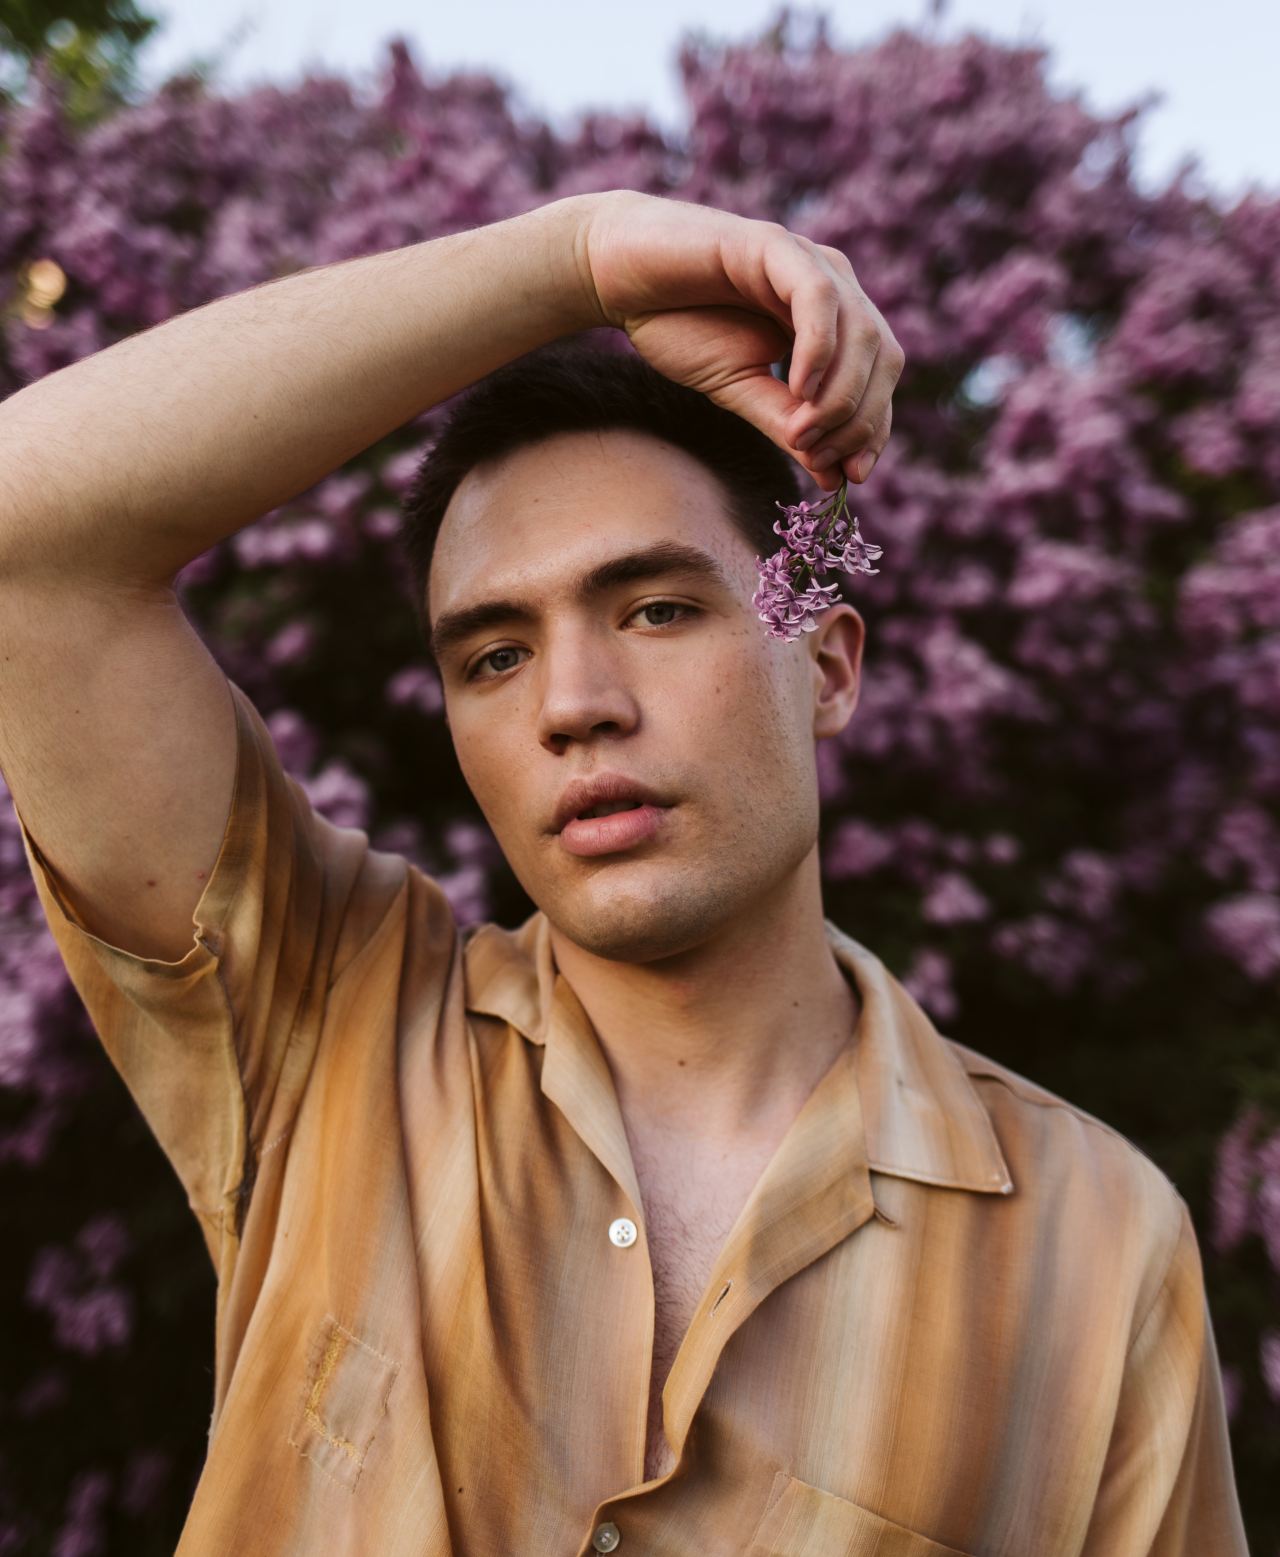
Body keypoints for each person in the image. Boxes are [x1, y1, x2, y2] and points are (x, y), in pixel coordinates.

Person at [0, 189, 1247, 1555]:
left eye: (655, 608)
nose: (573, 703)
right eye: (494, 654)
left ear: (827, 665)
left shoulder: (1100, 1240)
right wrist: (575, 257)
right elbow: (28, 532)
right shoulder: (329, 1023)